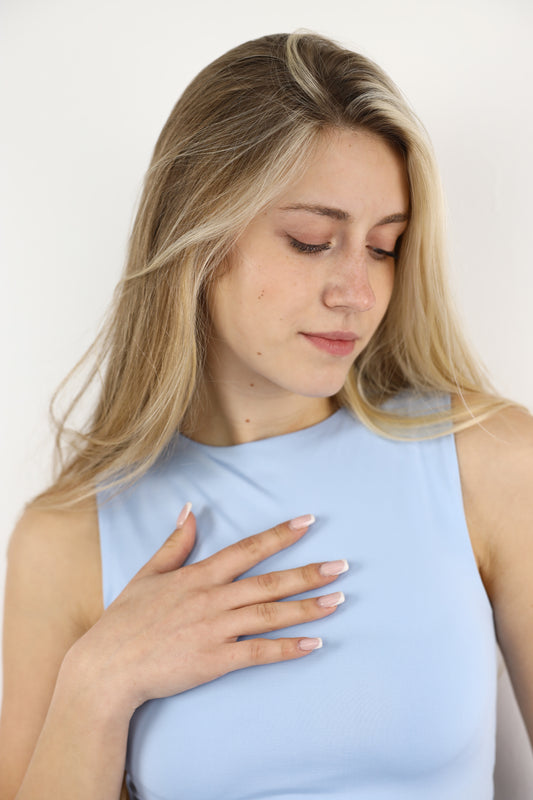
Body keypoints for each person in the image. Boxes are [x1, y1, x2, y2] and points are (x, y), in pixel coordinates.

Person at [1, 30, 532, 800]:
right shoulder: (68, 539)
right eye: (311, 241)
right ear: (199, 238)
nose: (356, 290)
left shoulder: (487, 464)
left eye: (383, 248)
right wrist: (97, 680)